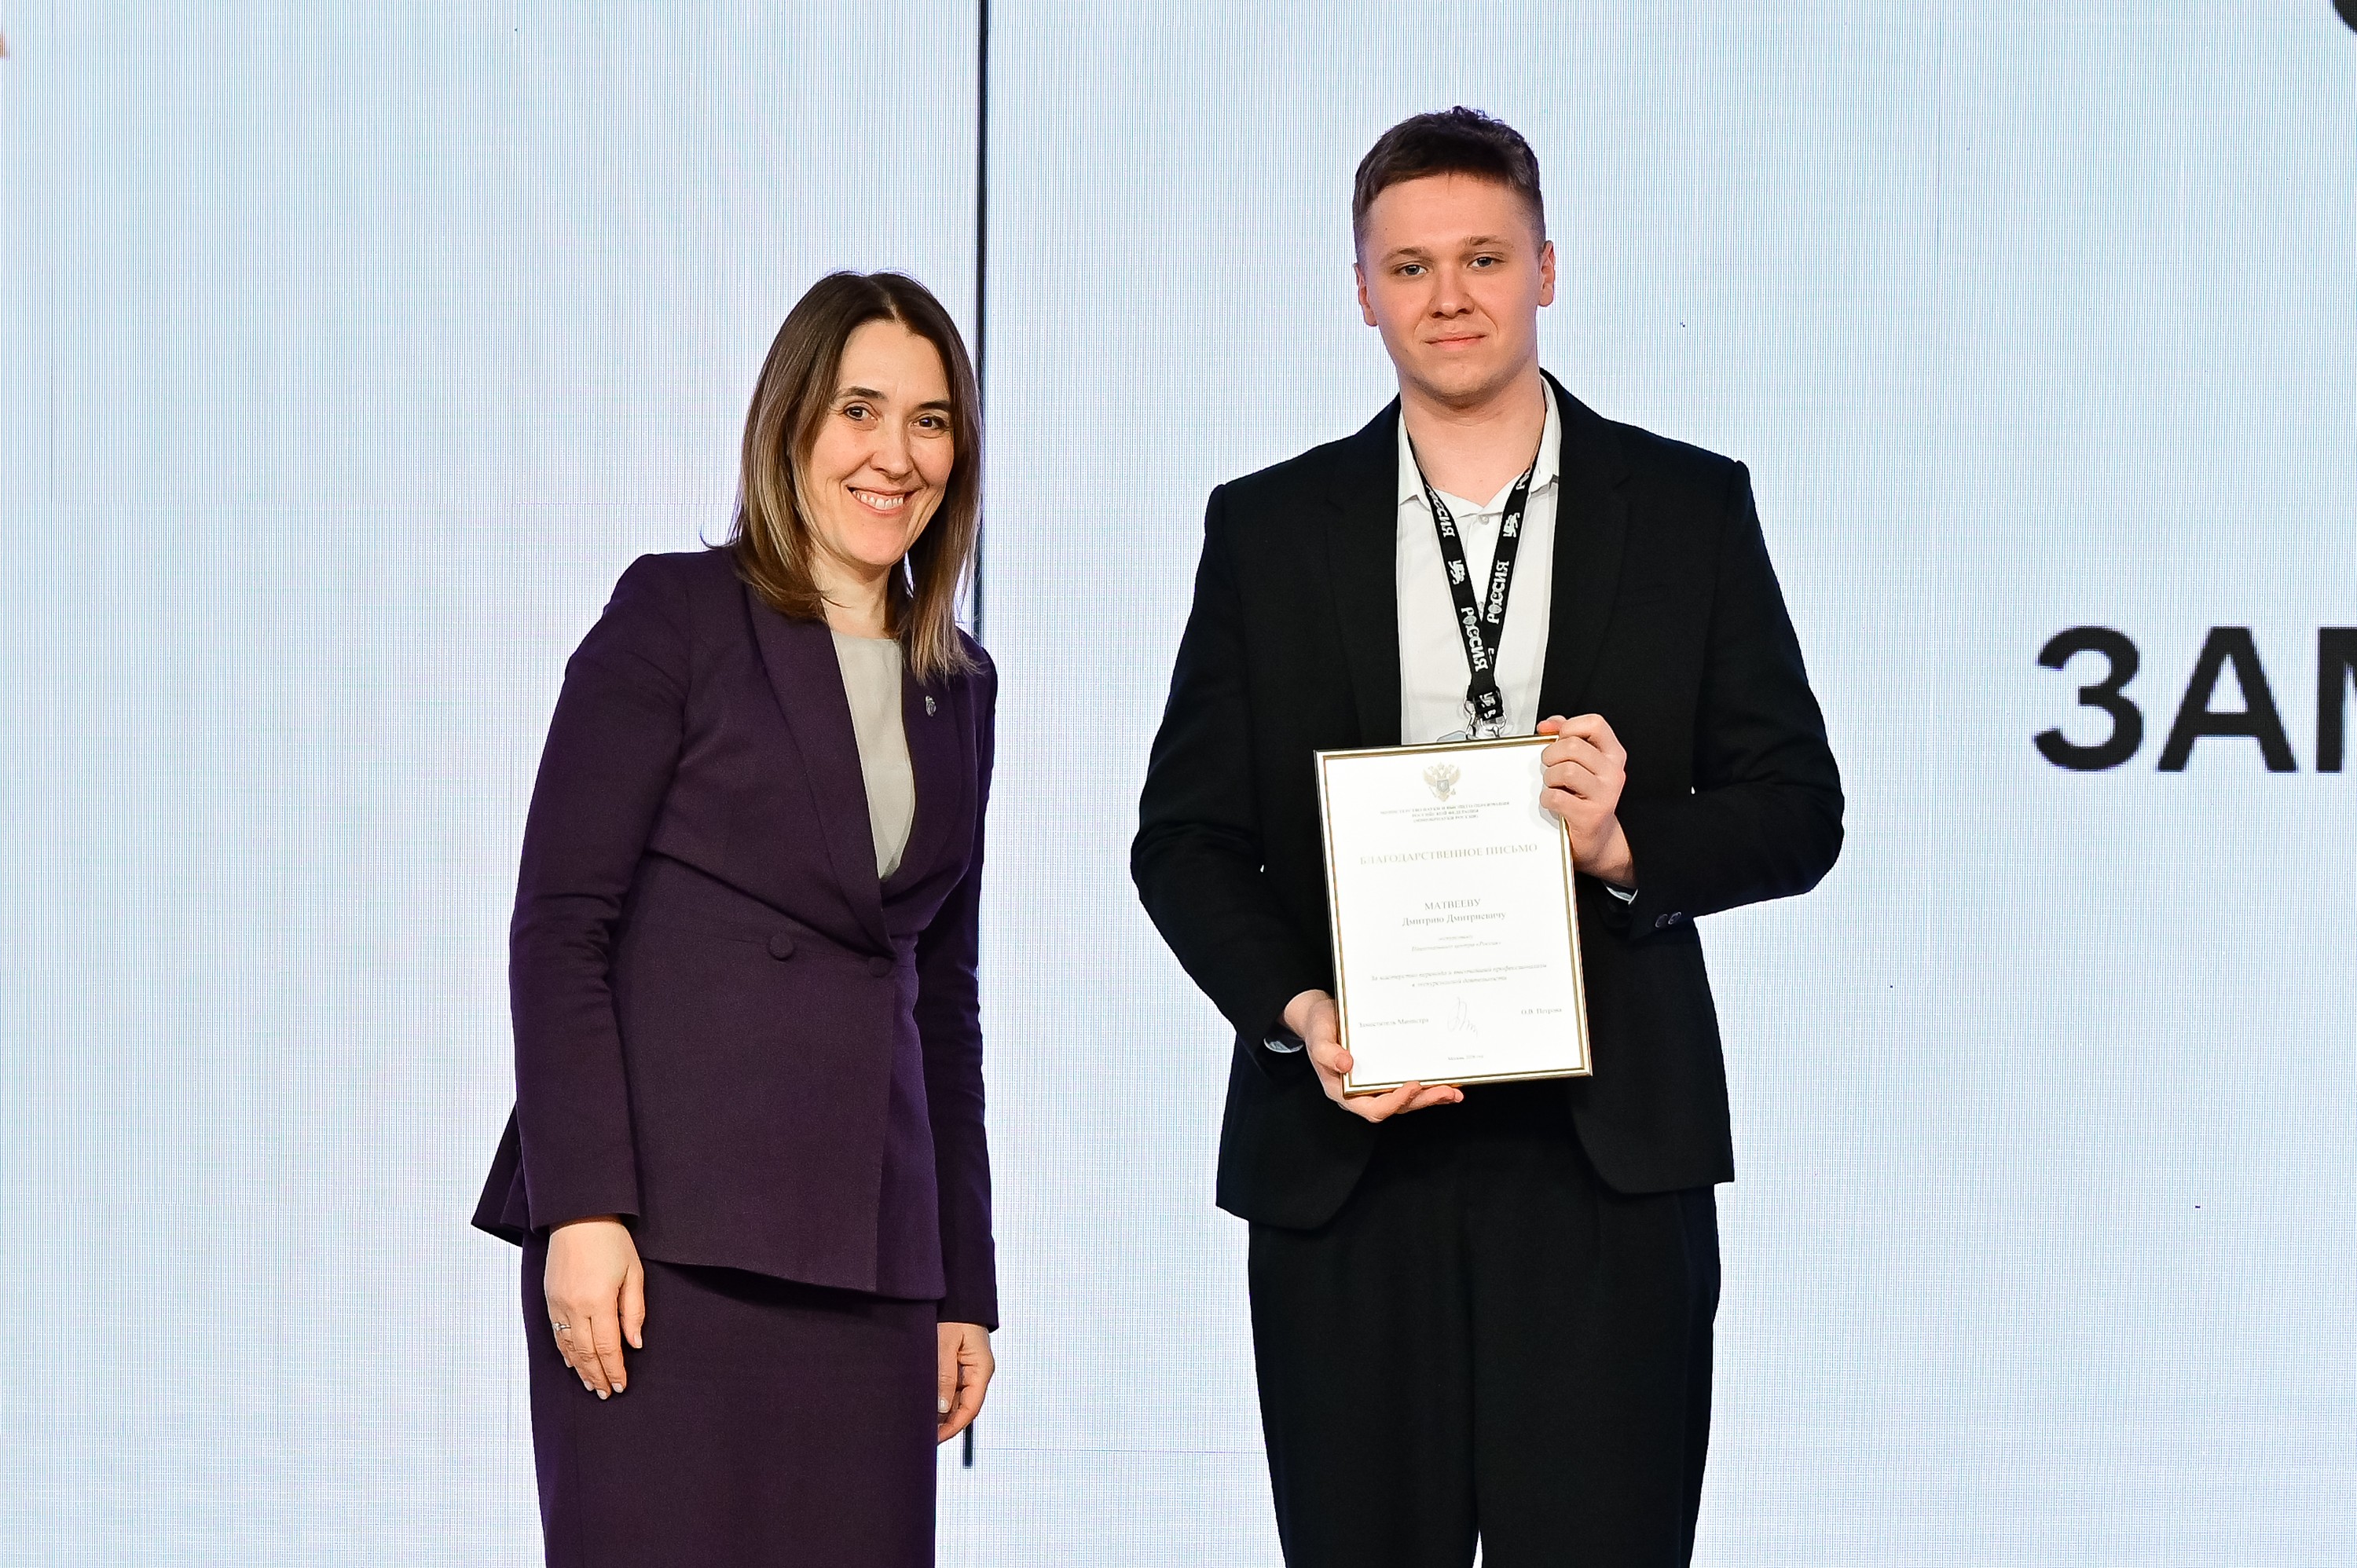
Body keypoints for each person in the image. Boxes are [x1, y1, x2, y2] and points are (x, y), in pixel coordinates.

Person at [1133, 109, 1842, 1566]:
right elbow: (1184, 840)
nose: (1448, 296)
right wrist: (1301, 1016)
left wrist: (1629, 846)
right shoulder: (1268, 529)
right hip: (1353, 1149)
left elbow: (1798, 808)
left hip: (1605, 1165)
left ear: (1546, 270)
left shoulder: (1693, 508)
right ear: (1362, 289)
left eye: (1481, 258)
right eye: (1409, 265)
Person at [472, 270, 999, 1566]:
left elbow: (939, 1001)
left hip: (873, 1266)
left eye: (930, 422)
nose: (896, 455)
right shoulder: (680, 614)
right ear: (791, 427)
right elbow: (561, 926)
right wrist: (580, 1209)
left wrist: (964, 1288)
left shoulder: (962, 683)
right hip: (667, 1246)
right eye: (860, 411)